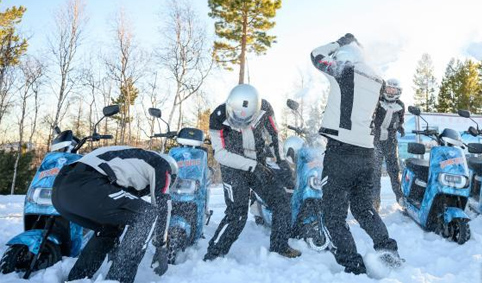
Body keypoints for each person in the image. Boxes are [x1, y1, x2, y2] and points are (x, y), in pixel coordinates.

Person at [311, 33, 401, 275]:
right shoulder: (376, 78)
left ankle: (352, 265)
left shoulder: (343, 71)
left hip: (341, 151)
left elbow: (316, 55)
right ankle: (389, 254)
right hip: (366, 154)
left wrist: (340, 43)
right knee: (364, 209)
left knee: (334, 216)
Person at [52, 146, 178, 283]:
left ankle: (78, 278)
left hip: (61, 191)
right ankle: (119, 278)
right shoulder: (162, 165)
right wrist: (161, 246)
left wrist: (113, 243)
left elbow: (120, 207)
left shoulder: (131, 160)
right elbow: (162, 206)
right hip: (88, 183)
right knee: (148, 214)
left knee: (110, 228)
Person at [203, 84, 300, 261]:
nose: (240, 126)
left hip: (259, 165)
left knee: (281, 202)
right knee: (237, 214)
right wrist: (252, 166)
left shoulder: (265, 109)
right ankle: (214, 253)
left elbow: (274, 136)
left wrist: (281, 162)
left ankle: (280, 245)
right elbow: (221, 154)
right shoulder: (218, 116)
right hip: (233, 167)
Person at [372, 78, 405, 211]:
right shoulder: (377, 101)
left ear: (398, 91)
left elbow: (400, 120)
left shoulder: (401, 105)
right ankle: (375, 201)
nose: (390, 92)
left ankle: (401, 198)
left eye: (393, 89)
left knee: (394, 170)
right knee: (375, 171)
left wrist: (400, 127)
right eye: (388, 89)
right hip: (376, 139)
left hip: (390, 141)